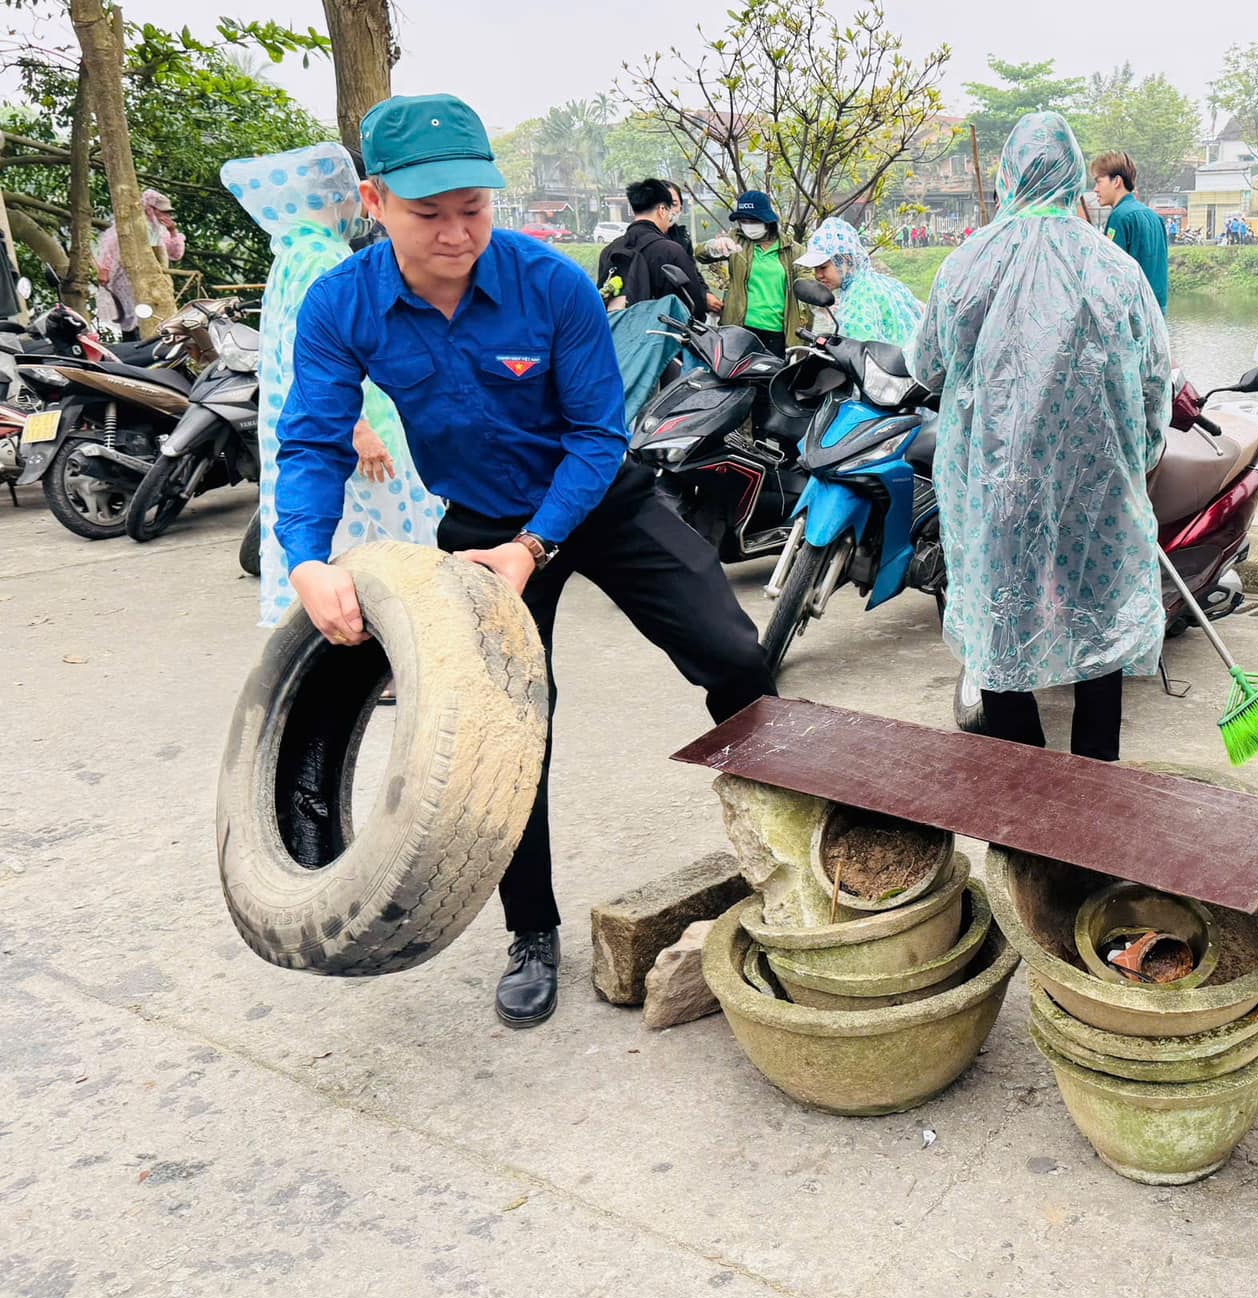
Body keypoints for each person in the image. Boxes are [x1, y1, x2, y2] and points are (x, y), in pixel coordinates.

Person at [274, 93, 775, 1029]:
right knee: (506, 735)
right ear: (375, 202)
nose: (457, 232)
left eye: (474, 207)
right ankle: (531, 929)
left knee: (738, 657)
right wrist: (307, 558)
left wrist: (535, 546)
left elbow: (595, 433)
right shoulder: (342, 304)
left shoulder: (552, 285)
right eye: (429, 214)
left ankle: (789, 843)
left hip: (600, 501)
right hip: (477, 523)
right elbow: (309, 444)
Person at [911, 113, 1170, 763]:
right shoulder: (1112, 267)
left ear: (1007, 176)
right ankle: (1092, 781)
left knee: (1003, 619)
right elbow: (1152, 384)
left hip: (999, 487)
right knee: (1098, 619)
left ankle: (1021, 779)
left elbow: (927, 366)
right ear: (1076, 177)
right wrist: (1139, 462)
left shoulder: (968, 262)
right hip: (1097, 486)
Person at [221, 142, 442, 630]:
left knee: (344, 540)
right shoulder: (322, 258)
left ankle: (350, 647)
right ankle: (397, 650)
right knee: (396, 544)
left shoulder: (293, 251)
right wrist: (359, 428)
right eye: (345, 193)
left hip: (320, 430)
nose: (353, 204)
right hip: (356, 428)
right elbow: (323, 359)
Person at [793, 217, 924, 345]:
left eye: (823, 267)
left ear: (846, 261)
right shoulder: (879, 282)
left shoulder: (859, 297)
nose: (818, 275)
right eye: (815, 268)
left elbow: (858, 351)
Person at [710, 189, 806, 350]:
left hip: (775, 332)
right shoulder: (736, 240)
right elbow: (701, 255)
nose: (748, 226)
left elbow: (806, 278)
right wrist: (714, 247)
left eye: (753, 220)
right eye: (743, 221)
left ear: (767, 220)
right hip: (738, 329)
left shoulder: (793, 250)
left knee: (771, 374)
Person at [598, 178, 707, 317]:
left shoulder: (609, 250)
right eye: (668, 210)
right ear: (662, 210)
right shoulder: (672, 251)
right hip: (661, 336)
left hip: (618, 335)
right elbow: (695, 306)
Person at [94, 188, 185, 337]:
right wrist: (105, 269)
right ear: (150, 209)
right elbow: (110, 248)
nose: (164, 215)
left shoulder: (160, 231)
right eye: (161, 211)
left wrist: (172, 231)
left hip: (153, 281)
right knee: (131, 315)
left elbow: (176, 254)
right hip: (127, 277)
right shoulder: (131, 225)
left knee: (154, 316)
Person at [1091, 151, 1170, 314]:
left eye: (1099, 182)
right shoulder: (1155, 217)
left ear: (1117, 181)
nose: (1095, 189)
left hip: (1133, 314)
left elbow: (1111, 275)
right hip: (1156, 312)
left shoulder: (1119, 217)